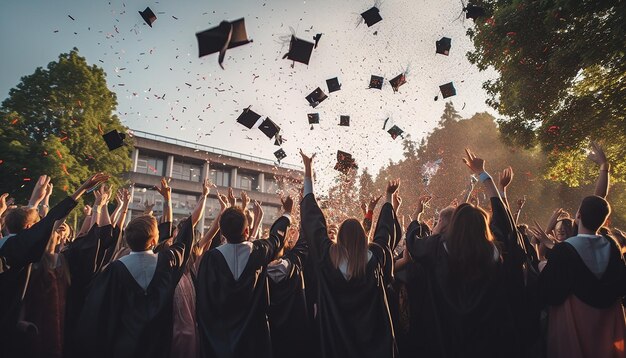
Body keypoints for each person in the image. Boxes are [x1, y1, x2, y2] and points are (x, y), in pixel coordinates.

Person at [405, 149, 526, 358]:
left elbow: (412, 243)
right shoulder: (496, 250)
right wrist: (483, 175)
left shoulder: (436, 247)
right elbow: (503, 220)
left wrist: (416, 217)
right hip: (490, 339)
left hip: (446, 337)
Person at [74, 182, 207, 358]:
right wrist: (203, 196)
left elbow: (98, 315)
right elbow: (187, 231)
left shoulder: (114, 270)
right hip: (161, 346)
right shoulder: (168, 261)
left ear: (127, 240)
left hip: (125, 346)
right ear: (153, 242)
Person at [299, 150, 398, 358]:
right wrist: (389, 197)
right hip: (372, 343)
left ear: (340, 237)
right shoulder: (376, 256)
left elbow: (313, 219)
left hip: (336, 341)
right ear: (363, 238)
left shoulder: (328, 255)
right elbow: (385, 232)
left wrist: (308, 171)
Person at [0, 173, 109, 358]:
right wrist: (82, 188)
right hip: (15, 324)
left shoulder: (7, 245)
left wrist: (33, 202)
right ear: (29, 228)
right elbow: (51, 220)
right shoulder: (19, 250)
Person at [538, 142, 626, 358]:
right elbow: (599, 203)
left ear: (578, 216)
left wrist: (542, 265)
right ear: (604, 221)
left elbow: (548, 291)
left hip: (575, 323)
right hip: (608, 323)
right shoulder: (612, 245)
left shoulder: (565, 250)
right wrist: (604, 167)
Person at [196, 193, 293, 358]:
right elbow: (276, 238)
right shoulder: (258, 251)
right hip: (254, 339)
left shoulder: (210, 259)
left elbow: (203, 304)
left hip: (219, 341)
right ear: (247, 230)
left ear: (223, 233)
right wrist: (287, 213)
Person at [267, 228, 313, 358]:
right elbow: (304, 244)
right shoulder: (294, 261)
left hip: (270, 337)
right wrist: (301, 228)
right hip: (297, 336)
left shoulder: (257, 271)